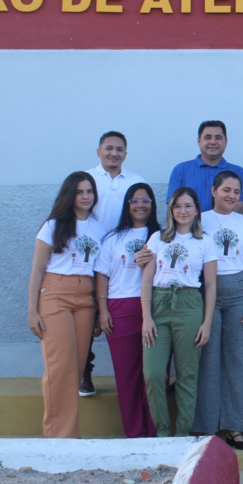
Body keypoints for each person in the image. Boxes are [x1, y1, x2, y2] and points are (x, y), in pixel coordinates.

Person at [27, 171, 106, 438]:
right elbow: (37, 269)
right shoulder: (53, 225)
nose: (85, 196)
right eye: (79, 192)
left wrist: (100, 311)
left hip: (86, 298)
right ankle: (60, 437)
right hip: (55, 294)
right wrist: (32, 310)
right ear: (69, 195)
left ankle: (67, 434)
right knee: (60, 367)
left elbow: (100, 270)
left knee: (76, 367)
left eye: (89, 191)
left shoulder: (99, 228)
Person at [139, 187, 217, 437]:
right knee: (153, 374)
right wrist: (146, 317)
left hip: (189, 304)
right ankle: (162, 433)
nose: (183, 211)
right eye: (177, 206)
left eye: (188, 206)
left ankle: (182, 434)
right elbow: (147, 279)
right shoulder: (157, 238)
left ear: (196, 209)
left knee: (187, 375)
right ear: (171, 210)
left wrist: (207, 323)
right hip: (159, 303)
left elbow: (211, 285)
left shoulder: (206, 242)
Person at [192, 171, 243, 449]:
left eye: (236, 191)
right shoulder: (199, 220)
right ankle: (206, 426)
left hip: (239, 292)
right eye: (226, 190)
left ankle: (236, 426)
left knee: (239, 360)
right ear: (213, 191)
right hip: (206, 292)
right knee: (207, 360)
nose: (231, 196)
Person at [94, 183, 161, 438]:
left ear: (153, 204)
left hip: (156, 308)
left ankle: (154, 431)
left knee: (154, 374)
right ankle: (135, 433)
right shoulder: (113, 238)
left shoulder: (163, 235)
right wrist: (103, 310)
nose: (140, 205)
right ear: (127, 205)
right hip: (120, 308)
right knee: (127, 375)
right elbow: (102, 275)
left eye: (146, 200)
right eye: (135, 200)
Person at [82, 131, 144, 397]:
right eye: (108, 148)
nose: (113, 153)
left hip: (123, 258)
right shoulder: (87, 179)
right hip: (89, 255)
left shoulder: (136, 181)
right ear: (98, 151)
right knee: (88, 314)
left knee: (116, 315)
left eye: (119, 149)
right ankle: (84, 371)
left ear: (125, 154)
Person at [168, 121, 243, 214]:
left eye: (218, 138)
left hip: (227, 224)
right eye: (207, 137)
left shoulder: (238, 172)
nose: (213, 142)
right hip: (191, 223)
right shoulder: (180, 170)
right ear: (199, 141)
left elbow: (241, 209)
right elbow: (173, 207)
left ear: (226, 142)